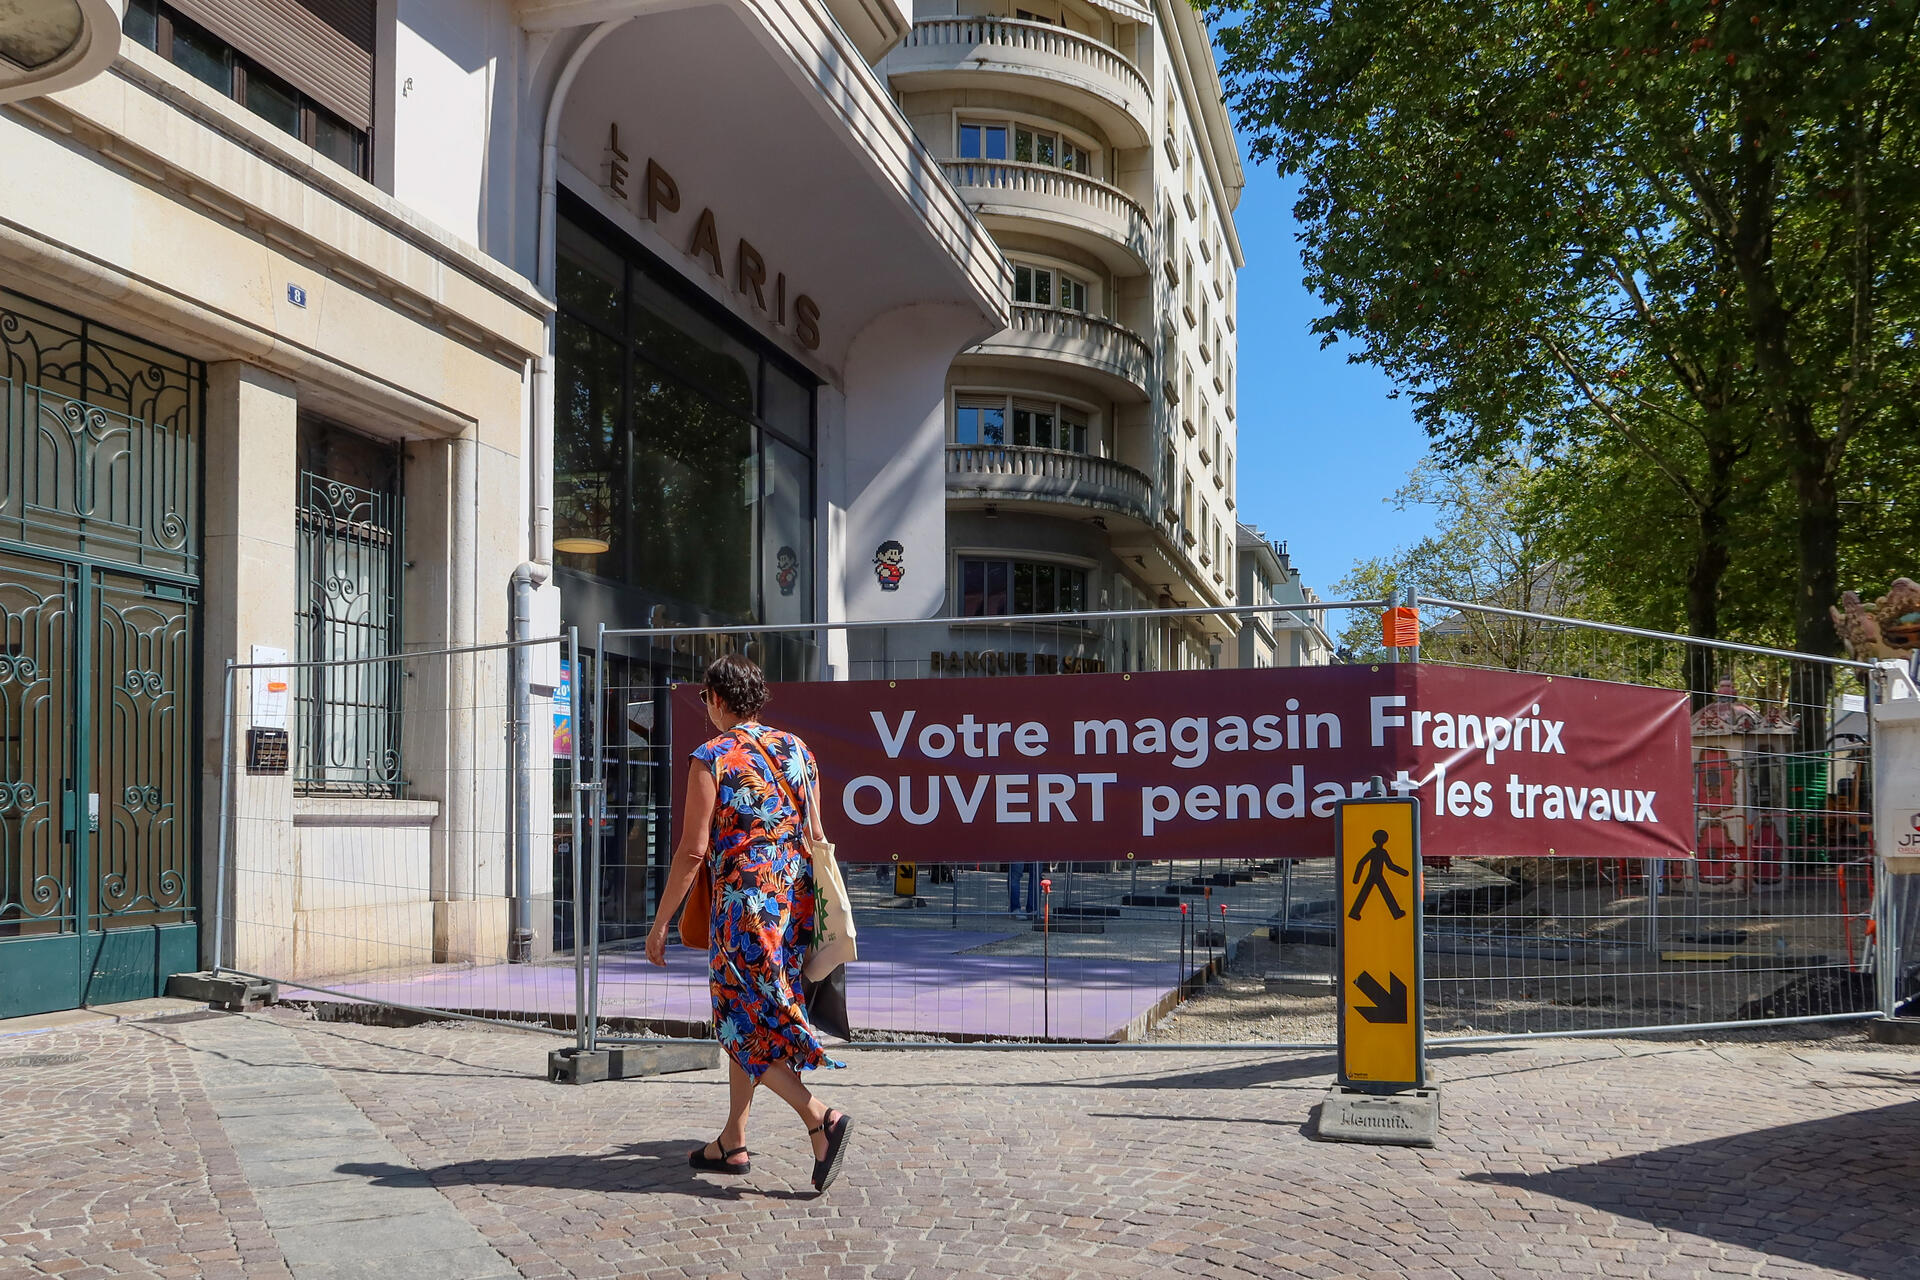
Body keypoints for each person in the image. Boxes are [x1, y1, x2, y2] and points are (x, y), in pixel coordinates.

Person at [646, 653, 853, 1193]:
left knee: (738, 1022)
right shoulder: (797, 750)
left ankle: (820, 1119)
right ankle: (732, 1140)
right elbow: (814, 830)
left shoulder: (711, 757)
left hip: (744, 909)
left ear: (716, 699)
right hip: (792, 906)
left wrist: (661, 921)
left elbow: (692, 853)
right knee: (752, 1019)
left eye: (706, 701)